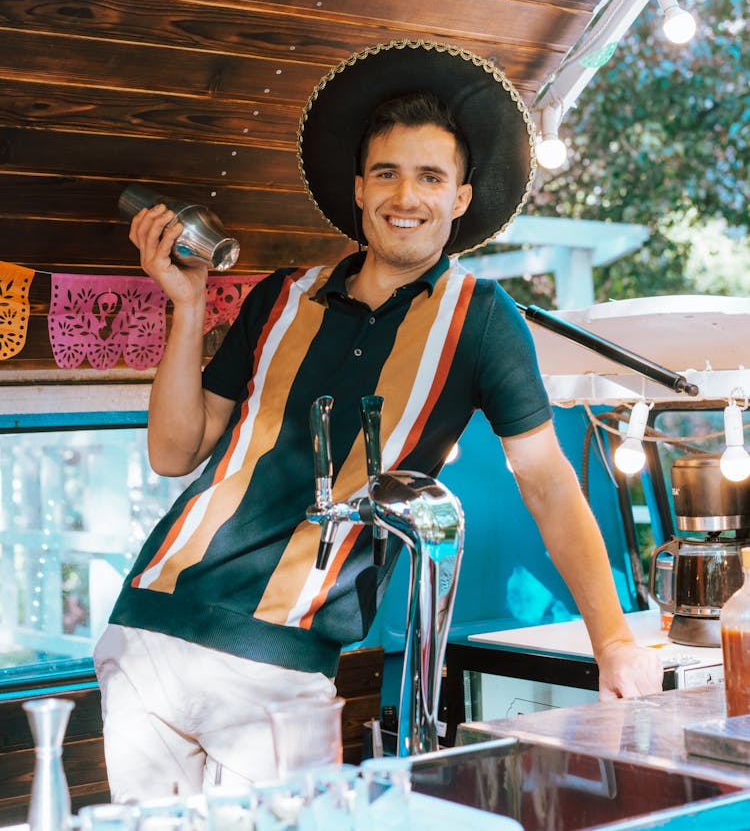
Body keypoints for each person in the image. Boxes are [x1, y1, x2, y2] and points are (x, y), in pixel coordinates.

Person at [94, 40, 663, 801]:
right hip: (151, 625)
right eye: (388, 172)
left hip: (284, 661)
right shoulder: (280, 296)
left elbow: (549, 485)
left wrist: (615, 641)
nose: (407, 194)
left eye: (431, 176)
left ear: (460, 198)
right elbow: (175, 451)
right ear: (360, 189)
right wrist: (188, 304)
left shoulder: (482, 320)